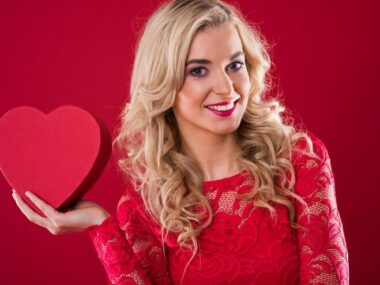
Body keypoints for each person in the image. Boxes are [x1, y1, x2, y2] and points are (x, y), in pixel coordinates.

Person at [12, 0, 349, 284]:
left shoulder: (299, 161)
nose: (227, 89)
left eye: (235, 65)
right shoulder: (146, 207)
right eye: (198, 71)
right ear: (164, 83)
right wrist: (99, 227)